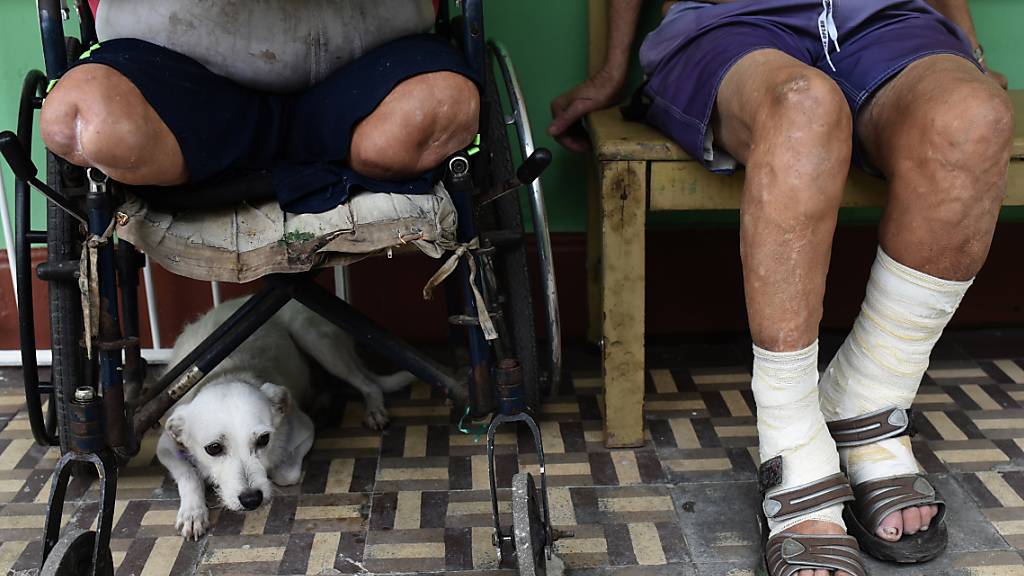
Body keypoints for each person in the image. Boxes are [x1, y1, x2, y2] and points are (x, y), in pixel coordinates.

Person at [550, 1, 1013, 575]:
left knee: (975, 116)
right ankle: (791, 437)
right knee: (804, 106)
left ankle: (868, 399)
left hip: (885, 19)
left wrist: (966, 49)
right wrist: (610, 70)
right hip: (730, 25)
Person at [40, 0, 480, 213]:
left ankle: (358, 150)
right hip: (179, 69)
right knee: (79, 119)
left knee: (443, 105)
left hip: (373, 56)